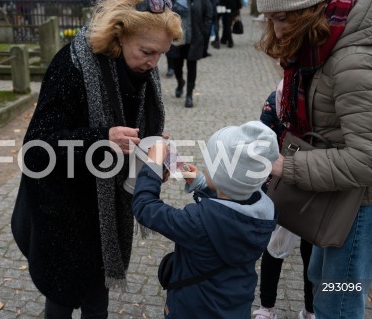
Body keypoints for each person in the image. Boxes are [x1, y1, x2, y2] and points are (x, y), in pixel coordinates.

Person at [10, 0, 182, 317]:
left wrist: (152, 163)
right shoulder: (72, 67)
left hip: (105, 210)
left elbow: (135, 134)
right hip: (63, 208)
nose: (154, 62)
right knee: (62, 296)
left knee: (96, 298)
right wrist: (101, 138)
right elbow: (36, 150)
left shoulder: (142, 72)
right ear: (118, 36)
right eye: (147, 52)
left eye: (161, 53)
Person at [255, 0, 372, 318]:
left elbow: (366, 159)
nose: (277, 31)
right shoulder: (321, 48)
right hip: (334, 199)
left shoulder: (350, 60)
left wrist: (286, 166)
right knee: (323, 286)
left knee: (339, 300)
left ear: (310, 13)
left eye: (282, 19)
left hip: (355, 209)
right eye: (270, 20)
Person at [132, 121, 279, 318]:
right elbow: (232, 204)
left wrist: (153, 164)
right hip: (235, 307)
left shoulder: (197, 222)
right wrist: (204, 184)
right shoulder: (266, 212)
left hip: (193, 310)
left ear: (219, 175)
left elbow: (145, 207)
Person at [253, 86, 315, 319]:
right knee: (275, 247)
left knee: (312, 253)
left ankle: (310, 308)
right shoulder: (279, 96)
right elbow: (263, 140)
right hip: (281, 185)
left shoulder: (328, 94)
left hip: (317, 186)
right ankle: (266, 306)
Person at [167, 0, 214, 108]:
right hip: (177, 39)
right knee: (177, 66)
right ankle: (180, 82)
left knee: (192, 66)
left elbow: (208, 15)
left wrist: (204, 33)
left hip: (194, 38)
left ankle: (189, 95)